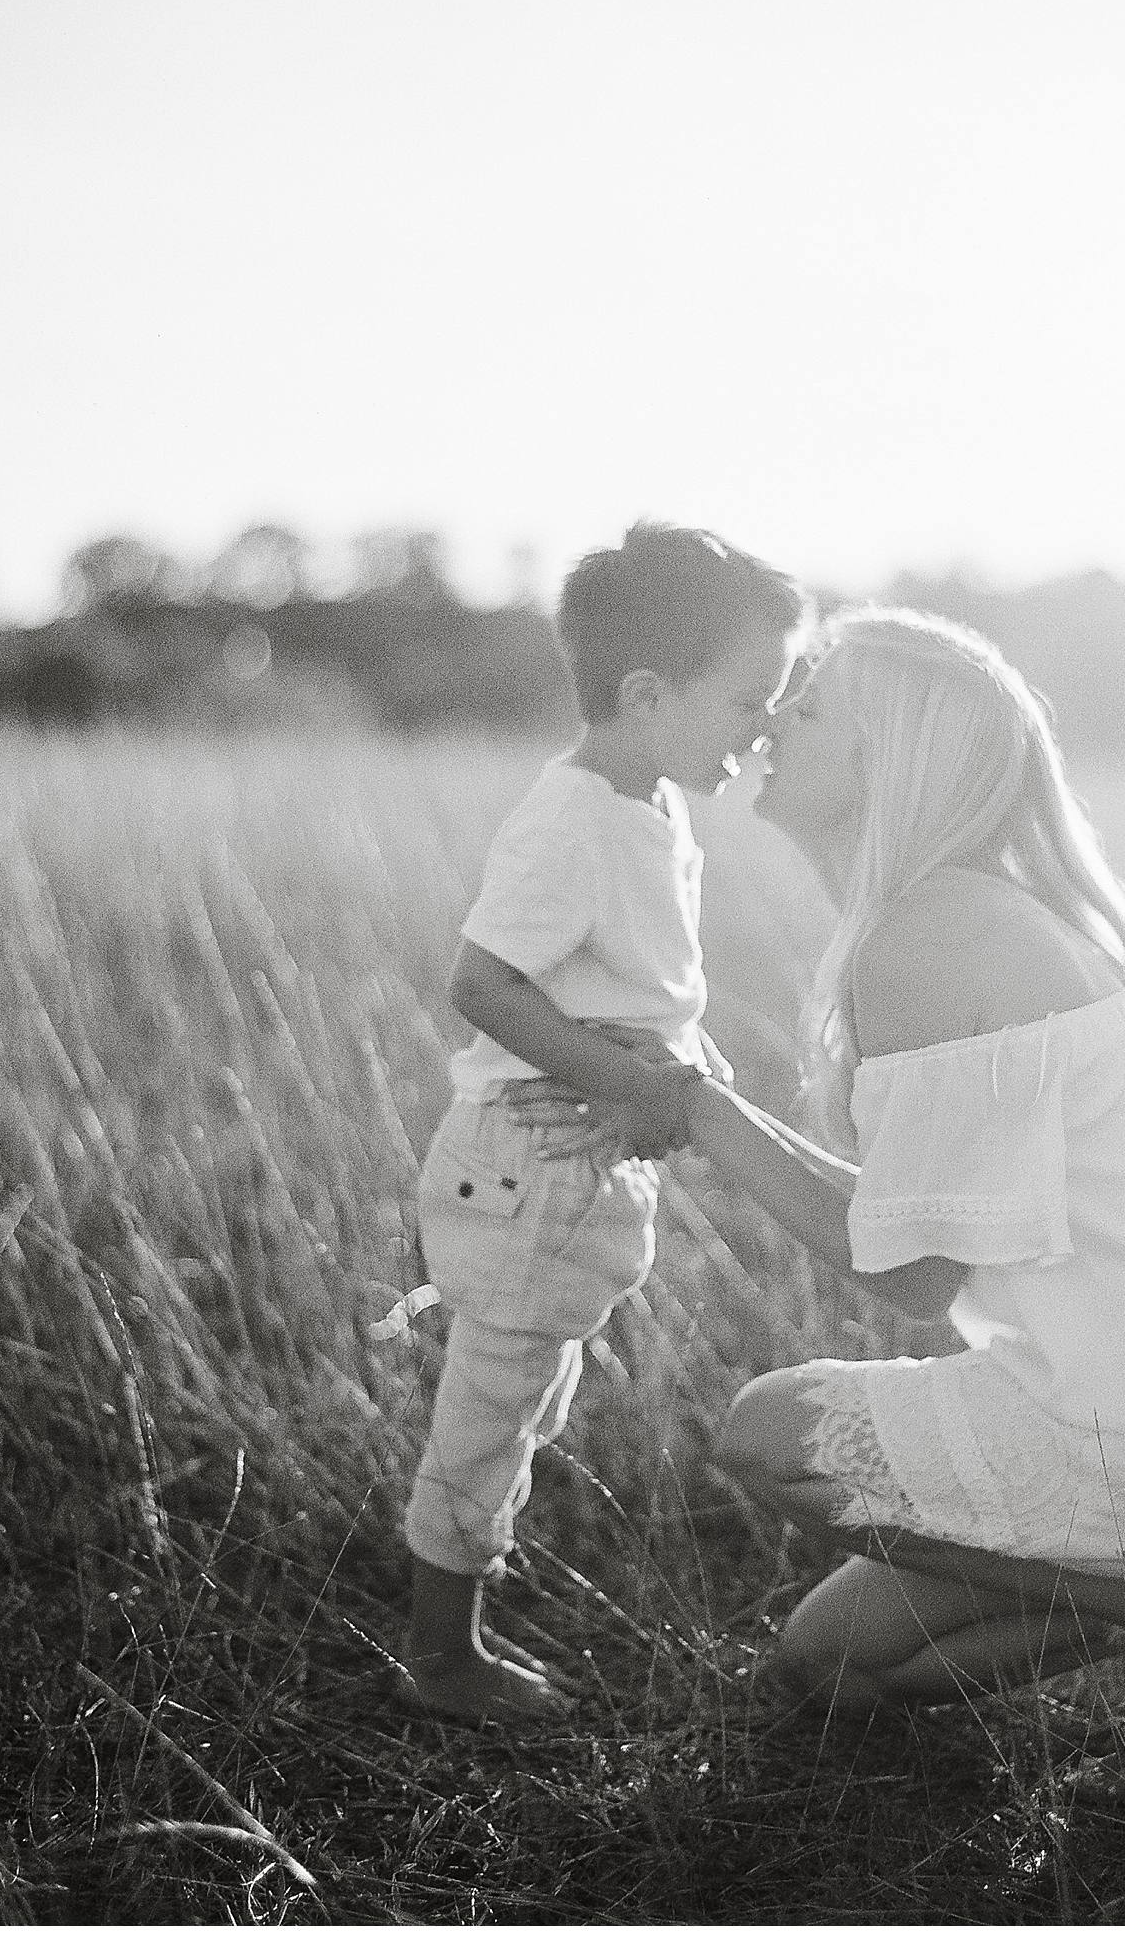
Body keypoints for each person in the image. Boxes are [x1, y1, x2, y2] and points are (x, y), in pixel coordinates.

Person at [642, 607, 1125, 1804]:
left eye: (812, 703)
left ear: (890, 760)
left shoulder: (927, 935)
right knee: (830, 1661)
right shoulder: (969, 916)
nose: (775, 718)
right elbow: (931, 1225)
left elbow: (907, 1276)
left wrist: (698, 1112)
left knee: (766, 1431)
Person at [394, 522, 808, 1725]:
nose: (763, 725)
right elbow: (481, 983)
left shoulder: (649, 804)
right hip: (528, 1162)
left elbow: (629, 986)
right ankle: (440, 1658)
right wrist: (629, 1086)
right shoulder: (575, 816)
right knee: (490, 1404)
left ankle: (466, 1598)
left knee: (528, 1392)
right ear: (644, 693)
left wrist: (676, 1059)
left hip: (574, 1171)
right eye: (747, 698)